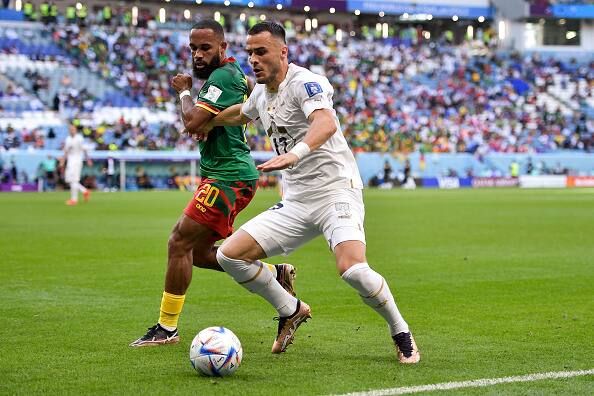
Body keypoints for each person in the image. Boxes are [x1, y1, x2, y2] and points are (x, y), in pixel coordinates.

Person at [201, 22, 420, 363]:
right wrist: (207, 122)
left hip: (336, 193)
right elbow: (237, 114)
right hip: (297, 201)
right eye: (250, 53)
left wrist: (295, 153)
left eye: (261, 52)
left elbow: (325, 122)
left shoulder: (305, 82)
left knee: (353, 270)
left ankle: (400, 330)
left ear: (283, 53)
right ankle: (290, 308)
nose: (253, 60)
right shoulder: (260, 94)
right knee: (229, 255)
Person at [130, 20, 296, 347]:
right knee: (198, 254)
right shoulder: (228, 78)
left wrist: (183, 91)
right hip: (222, 174)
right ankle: (275, 275)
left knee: (178, 242)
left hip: (228, 176)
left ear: (222, 48)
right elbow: (206, 119)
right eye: (193, 48)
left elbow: (191, 121)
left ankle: (167, 329)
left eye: (206, 47)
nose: (198, 54)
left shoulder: (222, 76)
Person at [63, 126, 91, 205]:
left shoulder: (79, 138)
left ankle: (74, 199)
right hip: (70, 161)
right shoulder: (68, 139)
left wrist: (88, 159)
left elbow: (84, 149)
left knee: (74, 180)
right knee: (68, 179)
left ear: (76, 130)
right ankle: (84, 191)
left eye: (73, 129)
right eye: (70, 129)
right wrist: (63, 160)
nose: (72, 131)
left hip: (77, 161)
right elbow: (66, 151)